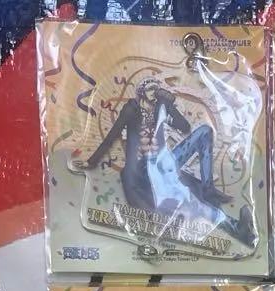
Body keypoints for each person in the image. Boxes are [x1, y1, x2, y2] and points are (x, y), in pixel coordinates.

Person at [73, 75, 255, 247]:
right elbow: (112, 135)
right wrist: (92, 161)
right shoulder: (131, 110)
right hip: (143, 173)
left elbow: (184, 127)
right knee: (192, 202)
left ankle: (208, 190)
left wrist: (170, 105)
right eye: (151, 88)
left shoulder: (161, 106)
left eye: (156, 88)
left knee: (204, 131)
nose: (155, 91)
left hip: (164, 163)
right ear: (142, 92)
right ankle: (238, 230)